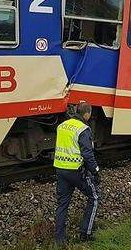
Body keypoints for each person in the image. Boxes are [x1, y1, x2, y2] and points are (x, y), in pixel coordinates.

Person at [54, 102, 100, 244]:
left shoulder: (62, 126)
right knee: (95, 197)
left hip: (60, 169)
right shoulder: (83, 129)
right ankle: (85, 233)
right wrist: (95, 171)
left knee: (62, 204)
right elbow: (87, 154)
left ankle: (60, 239)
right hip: (76, 171)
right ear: (87, 114)